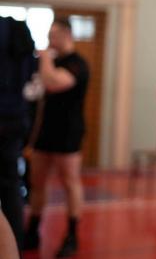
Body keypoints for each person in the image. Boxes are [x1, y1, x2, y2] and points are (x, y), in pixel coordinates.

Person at [22, 18, 90, 257]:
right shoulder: (52, 62)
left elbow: (52, 82)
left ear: (67, 34)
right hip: (45, 132)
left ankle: (72, 233)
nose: (50, 39)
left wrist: (44, 58)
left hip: (68, 133)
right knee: (37, 182)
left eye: (54, 34)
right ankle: (33, 230)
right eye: (49, 35)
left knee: (70, 182)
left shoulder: (77, 64)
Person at [0, 16, 36, 253]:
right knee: (11, 184)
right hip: (15, 117)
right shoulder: (18, 31)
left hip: (8, 114)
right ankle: (16, 245)